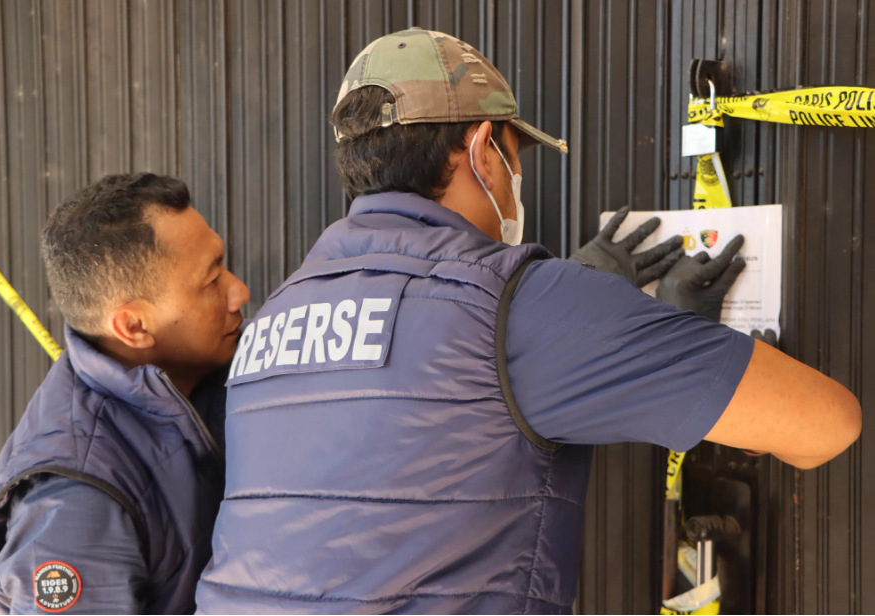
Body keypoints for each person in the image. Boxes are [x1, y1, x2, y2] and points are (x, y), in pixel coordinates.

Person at [196, 28, 861, 614]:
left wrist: (569, 313)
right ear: (483, 149)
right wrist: (671, 337)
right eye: (516, 157)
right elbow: (827, 426)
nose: (514, 180)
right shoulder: (521, 309)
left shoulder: (270, 320)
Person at [0, 173, 250, 614]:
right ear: (133, 327)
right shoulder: (74, 505)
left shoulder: (212, 370)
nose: (239, 292)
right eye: (211, 280)